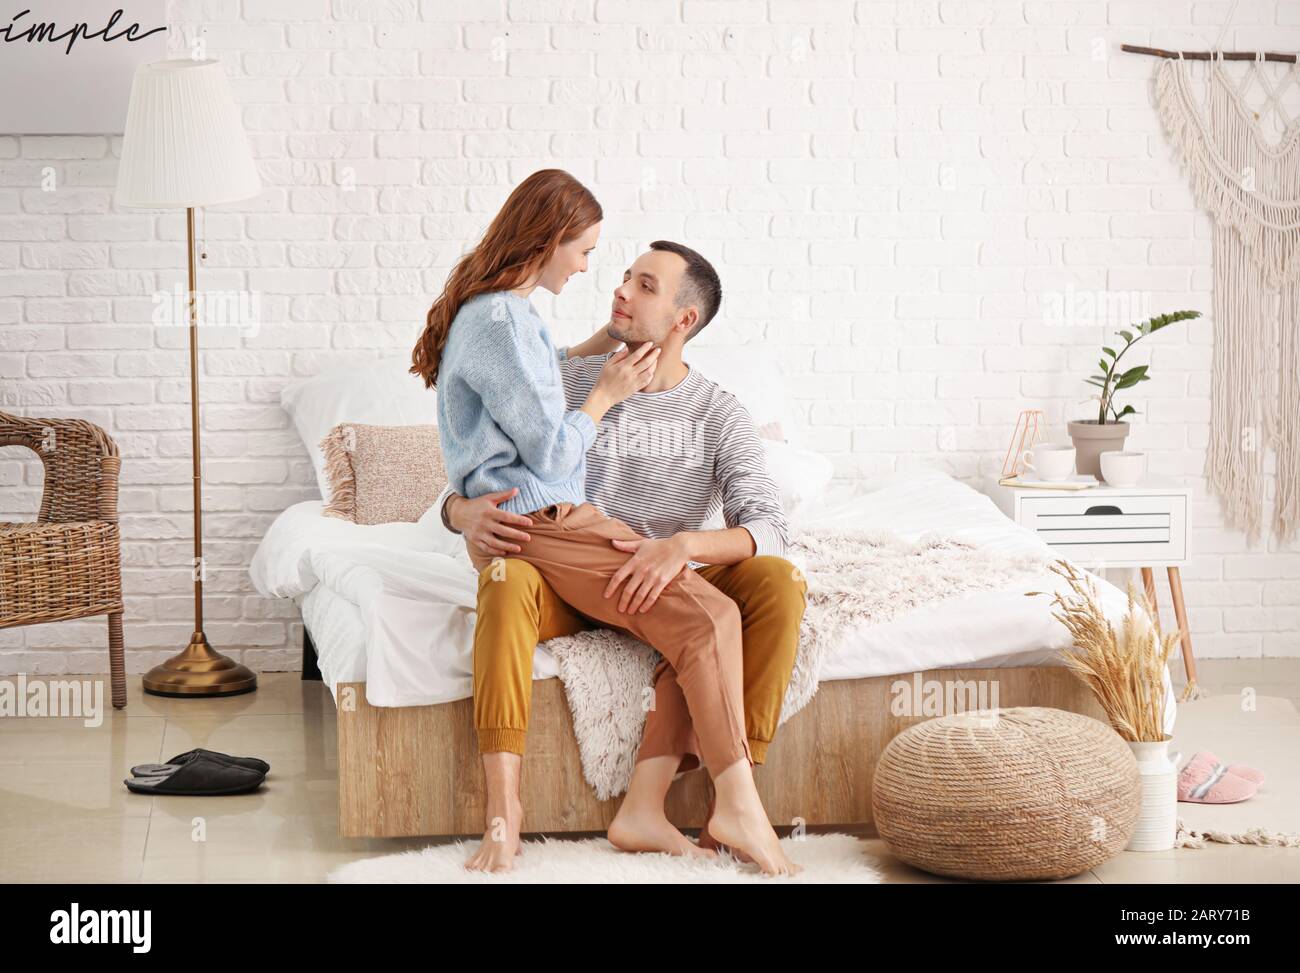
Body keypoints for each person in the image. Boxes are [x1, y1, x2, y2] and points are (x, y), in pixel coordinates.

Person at [411, 170, 798, 876]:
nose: (613, 283)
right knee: (511, 579)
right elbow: (487, 458)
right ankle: (516, 810)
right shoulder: (568, 371)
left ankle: (679, 801)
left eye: (643, 286)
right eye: (608, 265)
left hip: (626, 561)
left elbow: (770, 524)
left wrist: (680, 545)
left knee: (768, 585)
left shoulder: (719, 413)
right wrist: (459, 510)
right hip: (564, 554)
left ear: (684, 319)